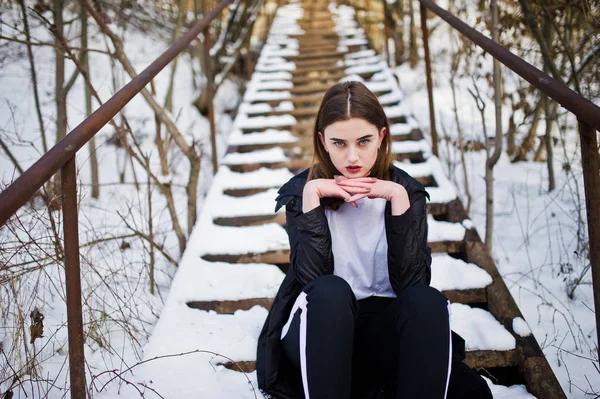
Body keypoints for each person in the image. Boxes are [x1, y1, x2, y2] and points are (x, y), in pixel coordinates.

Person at [256, 81, 492, 399]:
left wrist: (397, 199)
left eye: (364, 141)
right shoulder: (302, 193)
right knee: (329, 292)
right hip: (321, 337)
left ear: (381, 137)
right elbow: (311, 286)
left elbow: (413, 286)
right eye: (339, 143)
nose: (352, 156)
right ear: (322, 141)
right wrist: (312, 196)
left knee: (427, 301)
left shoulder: (405, 192)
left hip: (381, 334)